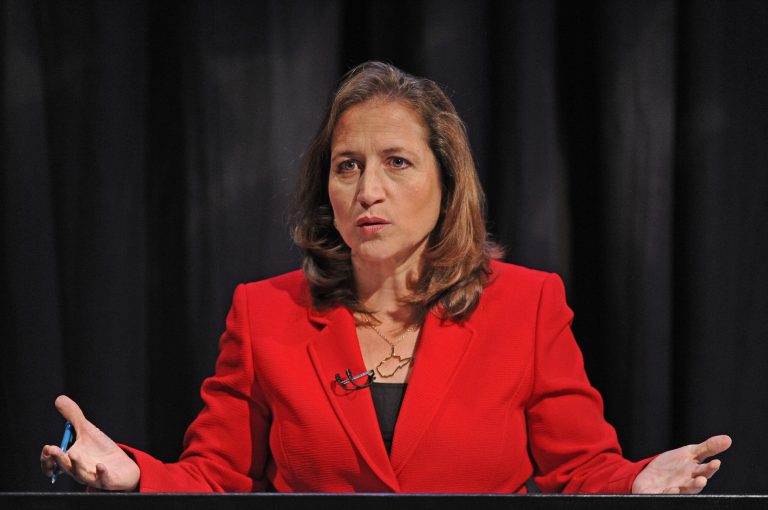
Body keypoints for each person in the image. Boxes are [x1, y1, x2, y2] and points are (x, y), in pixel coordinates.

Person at [40, 61, 731, 493]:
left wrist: (640, 481)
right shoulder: (263, 314)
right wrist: (136, 477)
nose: (368, 188)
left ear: (446, 183)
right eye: (347, 166)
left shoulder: (527, 303)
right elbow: (214, 477)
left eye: (397, 162)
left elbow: (579, 470)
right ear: (327, 191)